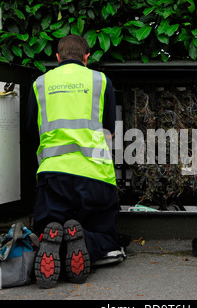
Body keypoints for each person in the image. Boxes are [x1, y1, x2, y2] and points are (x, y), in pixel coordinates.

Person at [26, 35, 125, 288]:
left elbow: (30, 132)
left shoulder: (40, 84)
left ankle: (56, 244)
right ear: (87, 57)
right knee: (107, 236)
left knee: (44, 232)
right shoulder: (101, 81)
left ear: (57, 58)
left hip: (52, 176)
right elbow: (109, 130)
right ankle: (86, 244)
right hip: (95, 177)